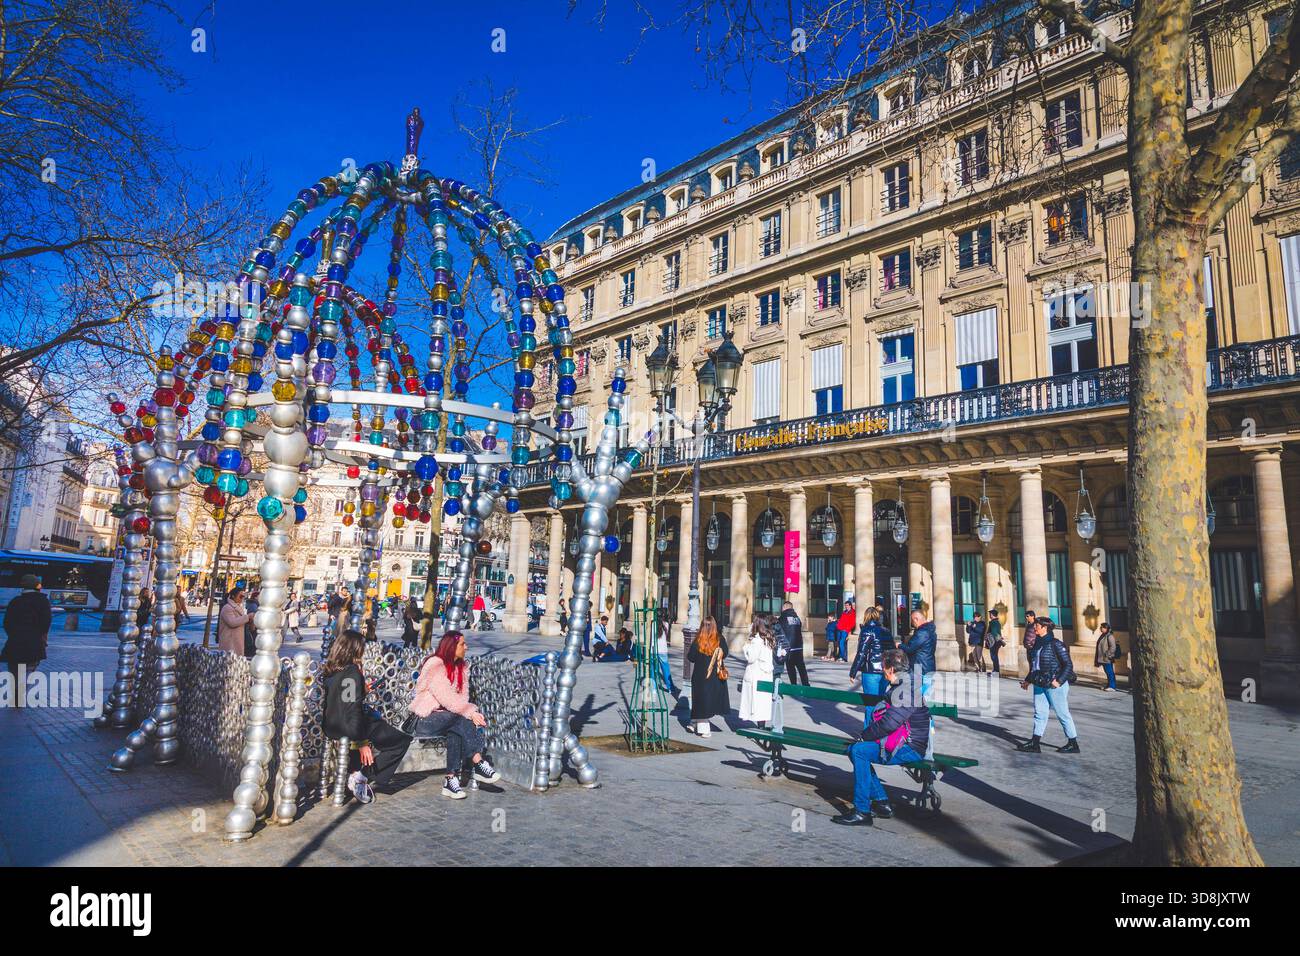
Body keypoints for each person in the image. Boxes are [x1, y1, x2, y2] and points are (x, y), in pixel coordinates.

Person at [833, 649, 931, 827]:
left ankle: (862, 811)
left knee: (859, 751)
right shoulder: (903, 684)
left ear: (891, 669)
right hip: (902, 741)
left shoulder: (905, 690)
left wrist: (864, 736)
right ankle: (881, 802)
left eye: (883, 667)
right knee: (854, 751)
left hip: (911, 747)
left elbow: (889, 724)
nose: (881, 671)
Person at [321, 629, 412, 805]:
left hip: (332, 724)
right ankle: (362, 777)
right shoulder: (353, 671)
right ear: (354, 649)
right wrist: (361, 743)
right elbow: (351, 709)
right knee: (401, 741)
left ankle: (355, 773)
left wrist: (361, 690)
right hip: (351, 724)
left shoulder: (332, 669)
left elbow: (342, 699)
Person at [409, 630, 501, 799]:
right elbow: (447, 698)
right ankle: (478, 762)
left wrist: (469, 712)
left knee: (456, 726)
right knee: (459, 718)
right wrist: (471, 712)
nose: (466, 647)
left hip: (449, 719)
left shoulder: (462, 667)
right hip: (425, 719)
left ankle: (451, 781)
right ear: (452, 647)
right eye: (462, 644)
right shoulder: (435, 664)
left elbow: (462, 698)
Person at [1016, 617, 1080, 753]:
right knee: (1039, 713)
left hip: (1053, 684)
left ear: (1045, 628)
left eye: (1037, 626)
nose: (1034, 628)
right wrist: (1028, 680)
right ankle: (1035, 743)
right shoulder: (1037, 644)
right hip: (1039, 682)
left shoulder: (1056, 643)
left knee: (1062, 713)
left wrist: (1059, 681)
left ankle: (1073, 743)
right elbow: (1035, 666)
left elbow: (1068, 665)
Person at [2, 574, 51, 707]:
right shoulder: (42, 601)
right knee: (29, 668)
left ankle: (15, 692)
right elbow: (45, 623)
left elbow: (7, 623)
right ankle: (20, 693)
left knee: (14, 669)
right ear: (37, 586)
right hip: (33, 642)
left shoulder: (15, 601)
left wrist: (14, 634)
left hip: (14, 642)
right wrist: (40, 636)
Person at [687, 616, 730, 737]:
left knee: (700, 700)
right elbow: (725, 653)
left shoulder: (698, 640)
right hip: (714, 676)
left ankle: (704, 728)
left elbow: (691, 657)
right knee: (708, 700)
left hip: (700, 676)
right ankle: (694, 722)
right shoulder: (720, 639)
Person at [739, 617, 775, 727]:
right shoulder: (769, 639)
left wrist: (746, 646)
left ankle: (760, 727)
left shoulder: (757, 641)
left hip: (756, 675)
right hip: (766, 675)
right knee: (763, 703)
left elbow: (751, 658)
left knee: (755, 702)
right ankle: (761, 725)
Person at [850, 606, 891, 699]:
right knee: (880, 702)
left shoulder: (867, 630)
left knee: (870, 703)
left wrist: (853, 672)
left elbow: (861, 652)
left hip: (871, 670)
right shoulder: (886, 631)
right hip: (884, 670)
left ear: (866, 616)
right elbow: (892, 651)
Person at [900, 609, 937, 698]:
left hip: (921, 668)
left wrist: (899, 646)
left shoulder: (922, 632)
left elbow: (910, 648)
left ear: (916, 619)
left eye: (913, 621)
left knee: (919, 698)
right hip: (928, 666)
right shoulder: (931, 631)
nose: (913, 624)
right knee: (925, 697)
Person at [776, 601, 809, 685]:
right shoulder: (797, 617)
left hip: (789, 646)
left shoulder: (783, 617)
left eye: (782, 607)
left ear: (785, 608)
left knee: (790, 667)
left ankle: (793, 685)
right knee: (801, 666)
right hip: (798, 645)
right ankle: (806, 684)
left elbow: (777, 628)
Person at [217, 587, 249, 655]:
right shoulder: (227, 607)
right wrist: (247, 617)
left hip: (236, 641)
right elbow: (232, 622)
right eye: (240, 596)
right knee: (229, 662)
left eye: (243, 597)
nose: (242, 598)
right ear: (233, 596)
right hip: (230, 641)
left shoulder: (237, 607)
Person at [1095, 622, 1120, 691]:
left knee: (1109, 672)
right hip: (1103, 658)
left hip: (1107, 658)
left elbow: (1113, 647)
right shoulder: (1103, 635)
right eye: (1100, 627)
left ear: (1106, 628)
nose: (1100, 628)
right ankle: (1109, 685)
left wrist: (1107, 654)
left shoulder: (1109, 636)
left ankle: (1112, 686)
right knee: (1107, 672)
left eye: (1102, 627)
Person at [985, 609, 1004, 673]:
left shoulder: (993, 622)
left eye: (990, 614)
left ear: (992, 615)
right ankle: (996, 670)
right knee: (994, 656)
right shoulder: (996, 622)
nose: (989, 615)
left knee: (993, 656)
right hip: (996, 641)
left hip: (994, 641)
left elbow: (994, 632)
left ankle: (996, 670)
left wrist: (998, 638)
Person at [243, 589, 260, 657]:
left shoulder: (255, 604)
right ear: (255, 597)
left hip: (254, 625)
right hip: (252, 626)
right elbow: (252, 616)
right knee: (252, 641)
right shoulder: (253, 605)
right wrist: (252, 626)